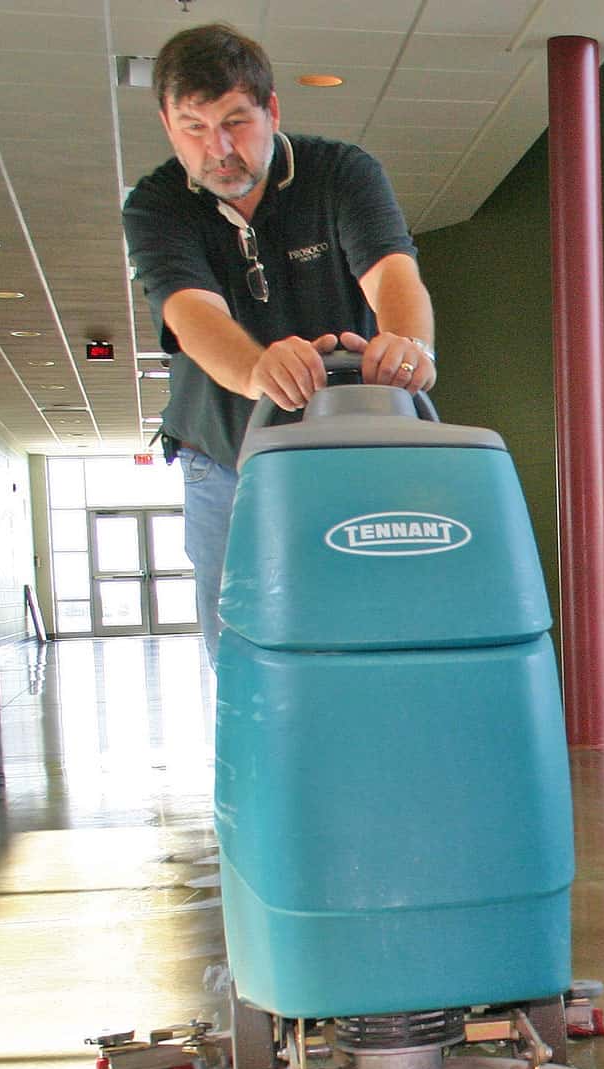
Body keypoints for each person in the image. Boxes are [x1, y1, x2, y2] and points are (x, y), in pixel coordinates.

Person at [122, 22, 437, 663]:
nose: (219, 149)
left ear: (271, 110)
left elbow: (393, 273)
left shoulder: (339, 174)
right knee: (243, 649)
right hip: (224, 456)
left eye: (236, 122)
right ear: (167, 125)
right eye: (194, 128)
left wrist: (408, 346)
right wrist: (258, 370)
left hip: (344, 450)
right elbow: (191, 315)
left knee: (361, 631)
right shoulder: (155, 207)